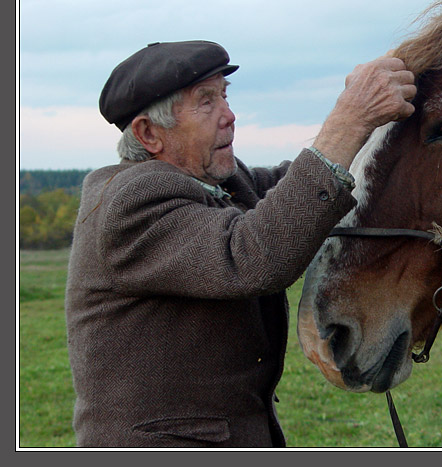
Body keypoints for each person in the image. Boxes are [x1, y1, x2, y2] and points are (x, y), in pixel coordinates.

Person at [65, 40, 416, 447]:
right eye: (205, 102)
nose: (229, 116)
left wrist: (391, 118)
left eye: (224, 97)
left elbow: (298, 196)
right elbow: (254, 256)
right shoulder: (131, 201)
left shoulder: (220, 182)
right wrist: (348, 120)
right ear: (149, 133)